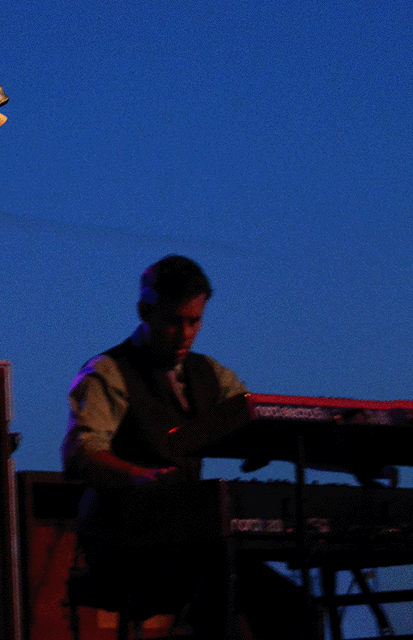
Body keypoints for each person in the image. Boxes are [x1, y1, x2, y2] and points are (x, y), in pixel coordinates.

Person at [62, 255, 306, 638]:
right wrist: (142, 476)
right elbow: (82, 453)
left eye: (194, 321)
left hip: (189, 543)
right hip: (126, 543)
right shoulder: (109, 372)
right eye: (174, 321)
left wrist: (265, 445)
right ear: (145, 311)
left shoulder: (211, 375)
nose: (185, 334)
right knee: (222, 589)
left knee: (291, 607)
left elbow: (253, 419)